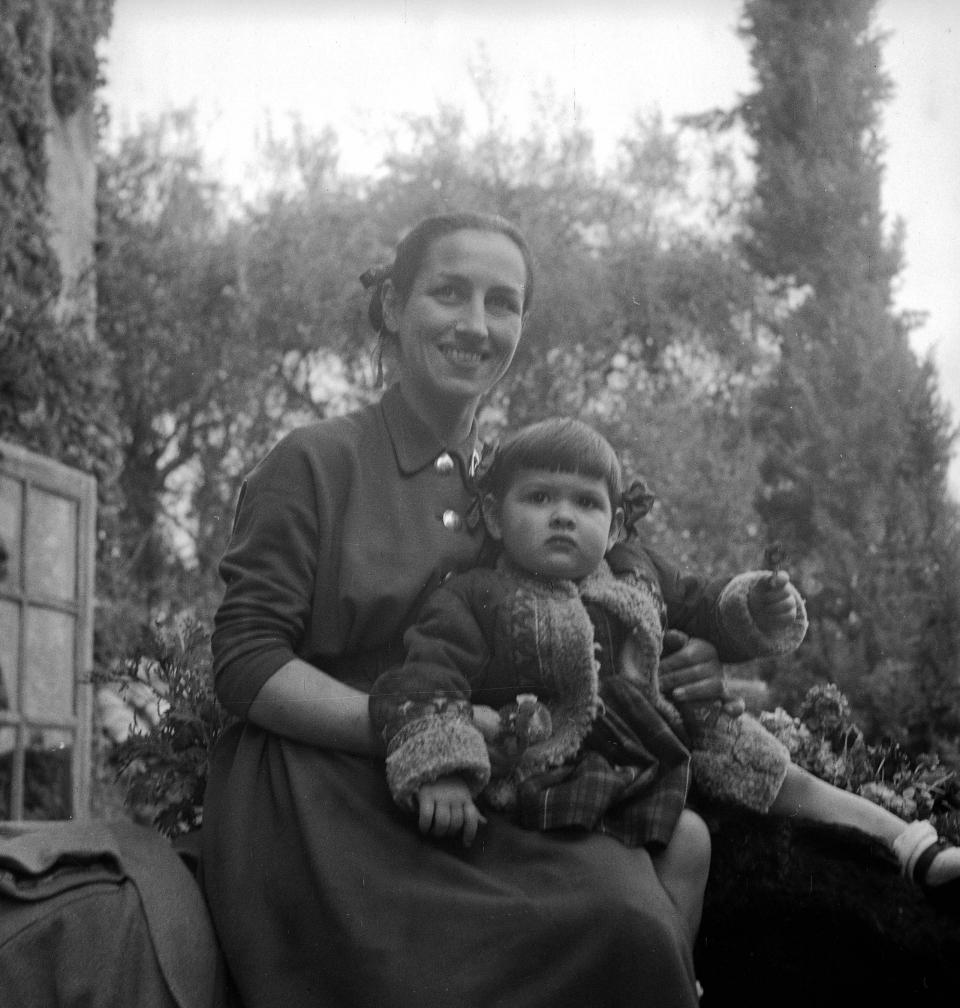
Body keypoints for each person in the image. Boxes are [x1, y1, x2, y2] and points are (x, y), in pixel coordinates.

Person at [203, 211, 733, 1008]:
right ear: (393, 307)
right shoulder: (314, 460)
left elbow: (581, 606)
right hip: (325, 793)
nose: (476, 325)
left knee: (635, 918)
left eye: (503, 302)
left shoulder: (512, 487)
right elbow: (244, 662)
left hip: (486, 784)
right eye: (449, 293)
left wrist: (680, 652)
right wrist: (407, 731)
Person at [369, 417, 960, 915]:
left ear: (617, 523)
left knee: (785, 779)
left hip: (672, 735)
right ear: (496, 519)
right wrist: (442, 768)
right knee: (686, 842)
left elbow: (704, 608)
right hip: (562, 762)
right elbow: (424, 679)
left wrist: (755, 603)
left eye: (585, 502)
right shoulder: (477, 597)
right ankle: (664, 971)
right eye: (540, 497)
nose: (563, 516)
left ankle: (911, 846)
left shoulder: (635, 570)